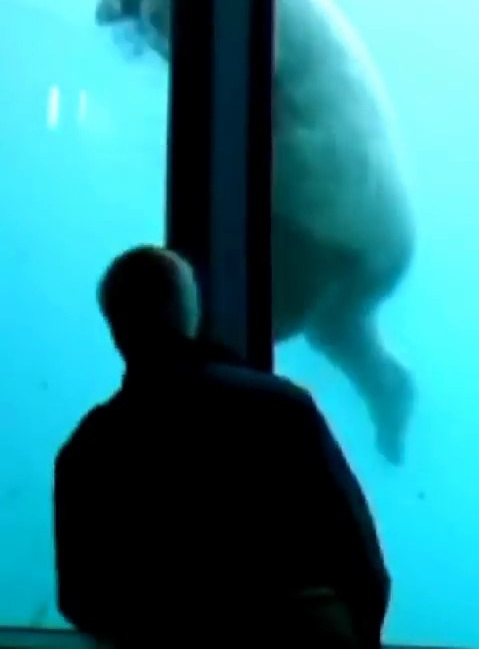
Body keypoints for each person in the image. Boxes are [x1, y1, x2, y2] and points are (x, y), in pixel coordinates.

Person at [53, 245, 391, 648]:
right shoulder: (282, 408)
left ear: (116, 328)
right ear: (190, 313)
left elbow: (79, 599)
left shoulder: (88, 448)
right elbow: (362, 564)